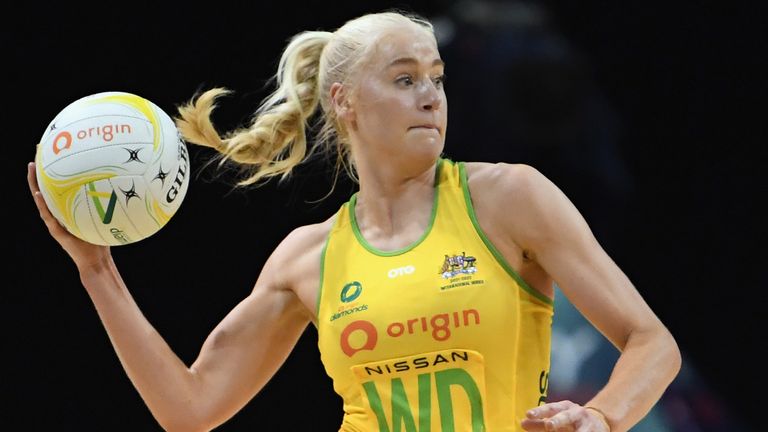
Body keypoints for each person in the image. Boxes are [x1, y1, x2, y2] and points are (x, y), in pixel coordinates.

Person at [27, 10, 681, 432]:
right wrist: (97, 270)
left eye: (436, 77)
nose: (430, 94)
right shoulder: (305, 259)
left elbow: (653, 343)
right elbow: (189, 409)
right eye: (403, 79)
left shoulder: (508, 198)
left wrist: (601, 416)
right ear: (343, 102)